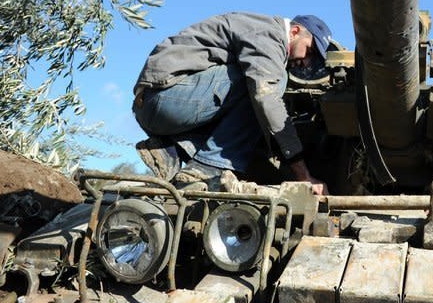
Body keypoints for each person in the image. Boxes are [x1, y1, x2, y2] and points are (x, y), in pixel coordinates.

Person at [132, 12, 332, 195]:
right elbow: (265, 96)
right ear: (295, 31)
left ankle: (170, 149)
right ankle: (206, 170)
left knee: (261, 87)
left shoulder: (263, 33)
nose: (307, 62)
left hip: (159, 103)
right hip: (163, 96)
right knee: (267, 87)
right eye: (310, 51)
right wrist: (303, 174)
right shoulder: (271, 35)